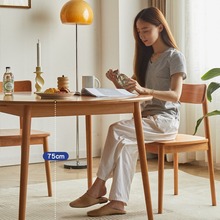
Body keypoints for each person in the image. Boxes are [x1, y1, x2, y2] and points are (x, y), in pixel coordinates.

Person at [69, 7, 187, 217]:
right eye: (139, 32)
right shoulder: (147, 58)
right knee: (125, 147)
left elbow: (175, 95)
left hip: (165, 121)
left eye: (146, 30)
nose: (142, 36)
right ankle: (117, 203)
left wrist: (145, 90)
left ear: (160, 27)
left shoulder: (174, 57)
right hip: (147, 120)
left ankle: (98, 187)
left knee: (115, 129)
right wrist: (118, 83)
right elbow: (134, 92)